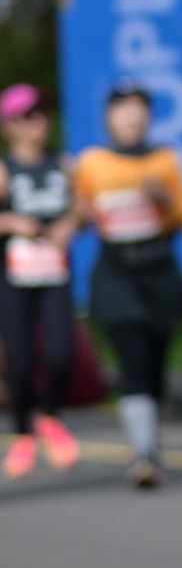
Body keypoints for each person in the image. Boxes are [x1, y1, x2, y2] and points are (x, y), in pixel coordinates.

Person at [75, 80, 182, 487]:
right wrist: (77, 212)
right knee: (132, 357)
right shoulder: (92, 162)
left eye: (139, 108)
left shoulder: (165, 160)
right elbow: (80, 214)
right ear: (109, 116)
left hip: (158, 267)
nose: (131, 116)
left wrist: (162, 199)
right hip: (116, 270)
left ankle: (150, 442)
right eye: (123, 108)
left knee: (155, 358)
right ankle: (143, 454)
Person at [0, 84, 81, 477]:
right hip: (14, 277)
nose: (40, 123)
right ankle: (23, 433)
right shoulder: (4, 170)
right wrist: (11, 222)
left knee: (62, 354)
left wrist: (70, 223)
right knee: (20, 361)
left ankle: (49, 413)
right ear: (10, 125)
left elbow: (83, 207)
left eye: (44, 113)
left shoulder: (63, 164)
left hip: (53, 275)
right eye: (30, 116)